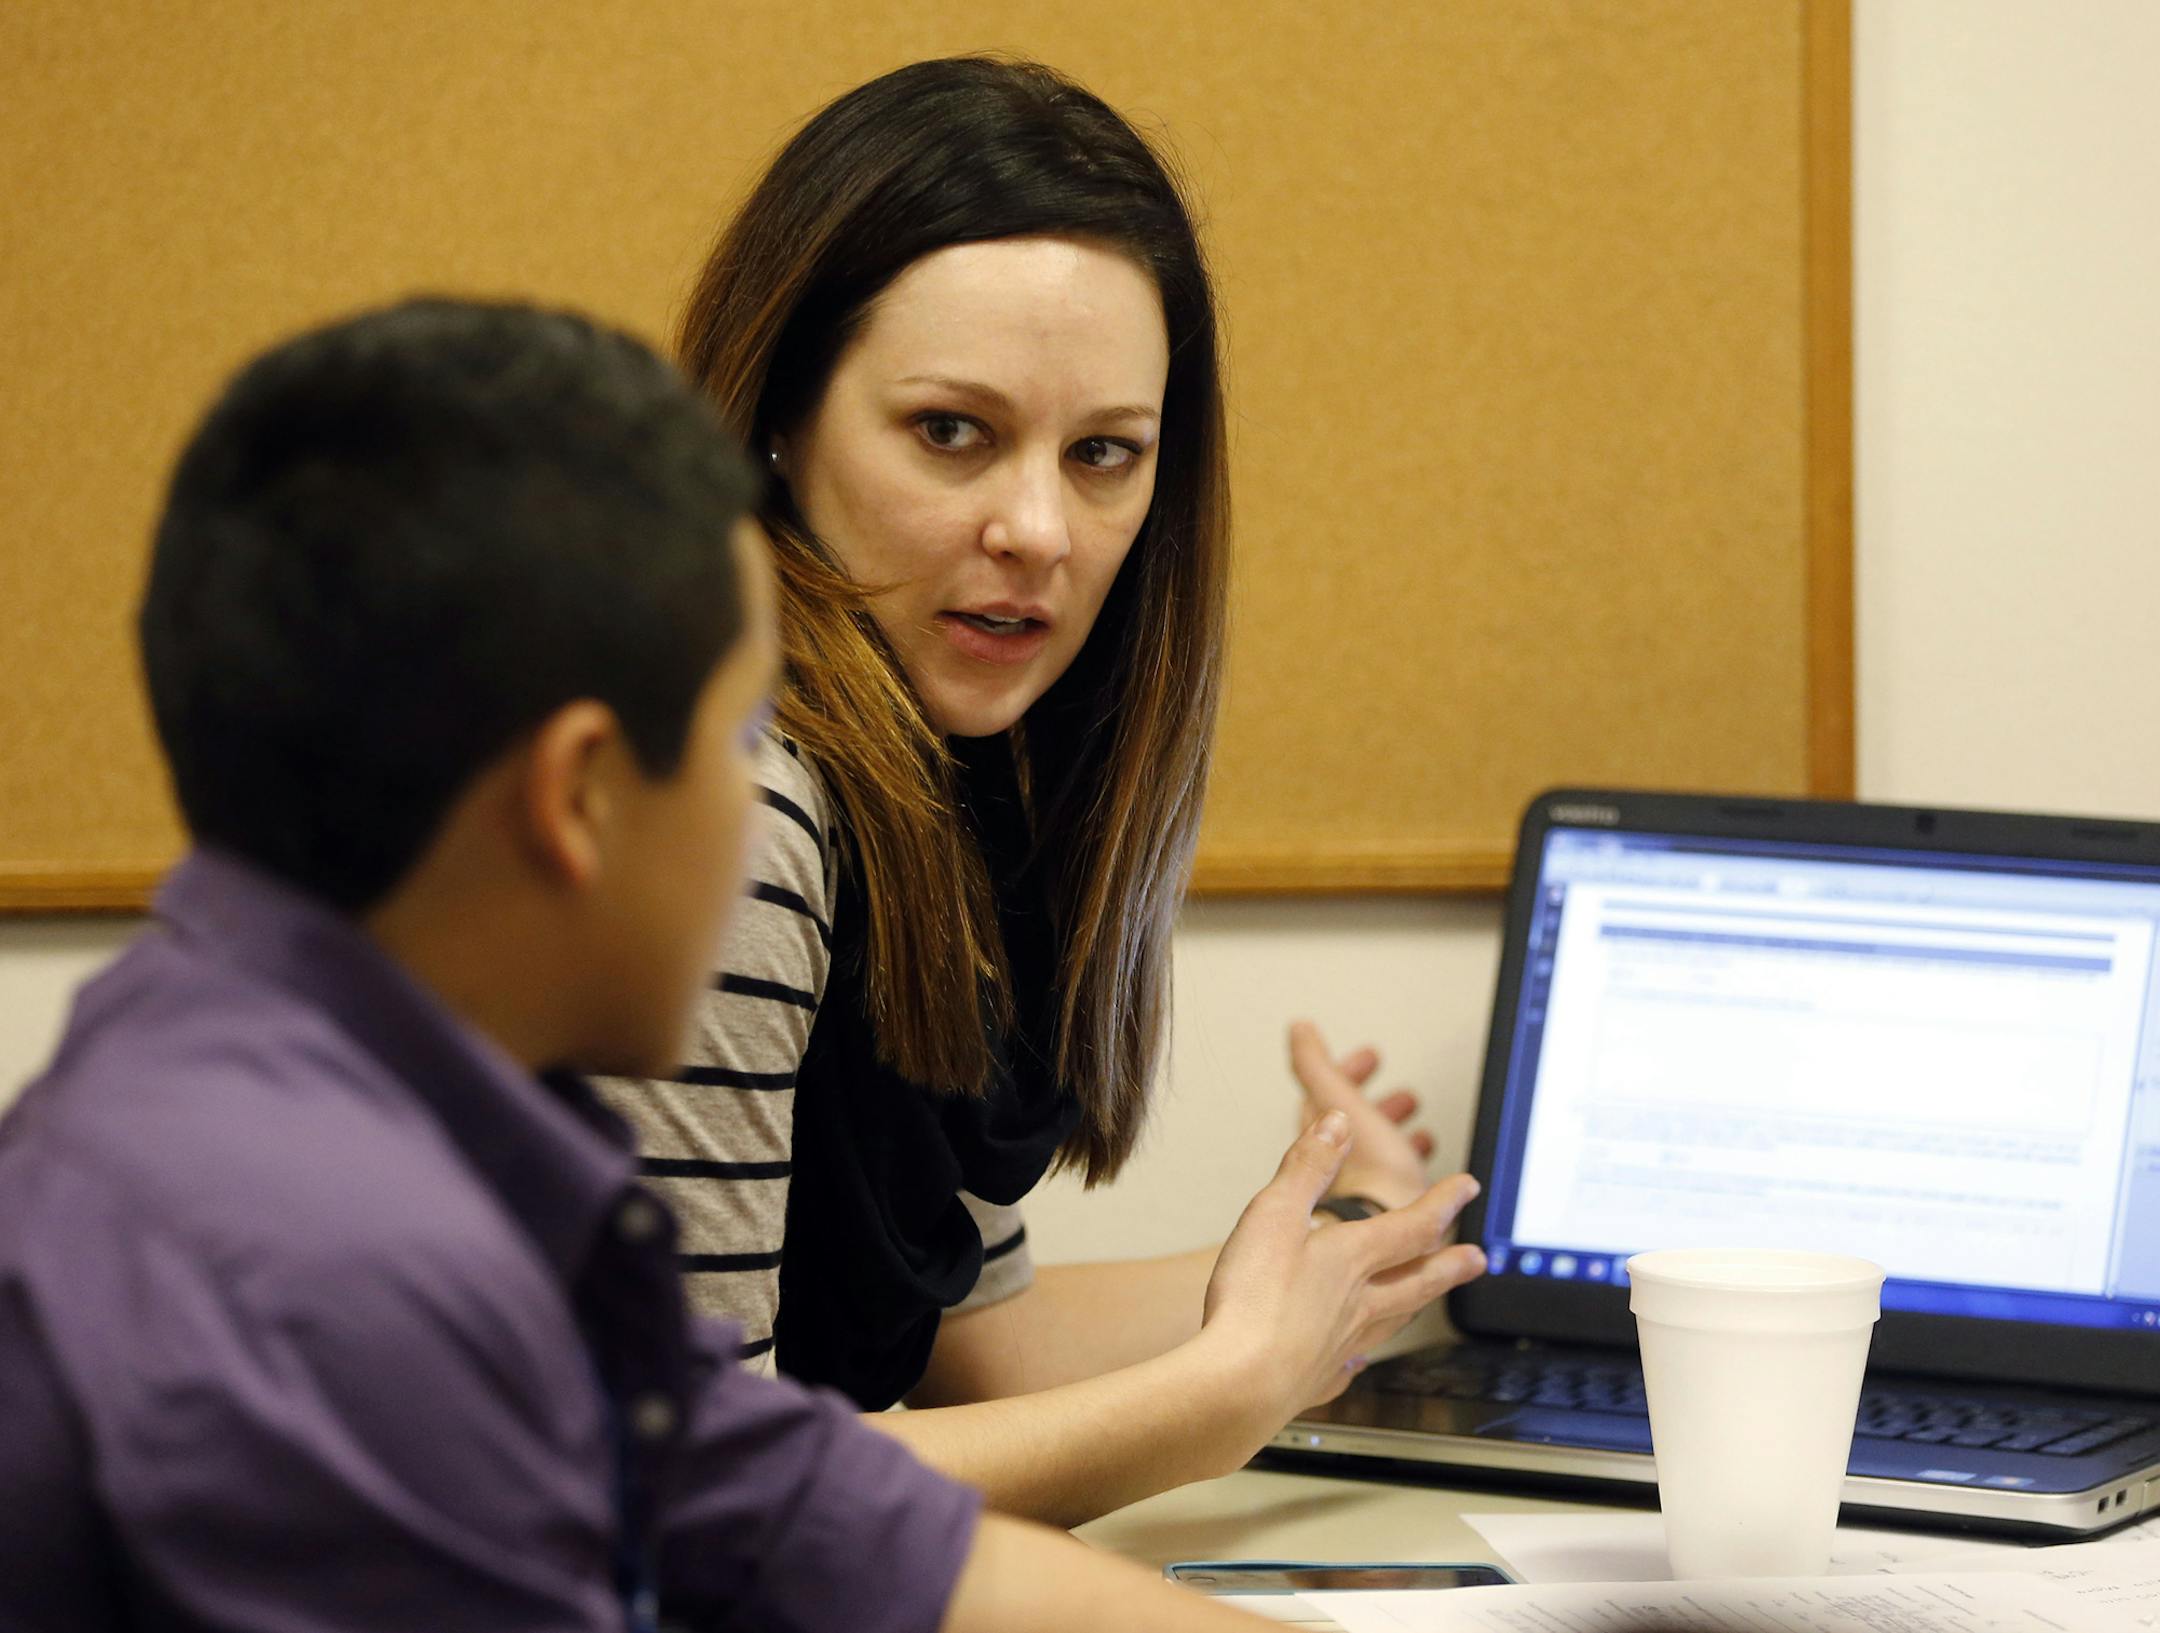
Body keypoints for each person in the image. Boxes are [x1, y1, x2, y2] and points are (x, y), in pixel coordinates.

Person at [0, 296, 1301, 1631]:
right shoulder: (339, 1277)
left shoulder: (430, 1126)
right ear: (581, 798)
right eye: (747, 735)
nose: (770, 802)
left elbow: (803, 1516)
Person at [600, 55, 1488, 1528]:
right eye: (951, 431)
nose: (1038, 529)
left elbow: (967, 1339)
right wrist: (1220, 1396)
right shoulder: (724, 799)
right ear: (774, 422)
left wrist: (1336, 1248)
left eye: (1104, 456)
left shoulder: (936, 771)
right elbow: (700, 1503)